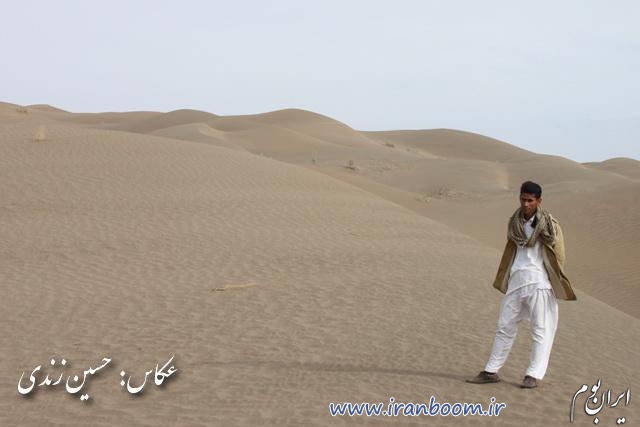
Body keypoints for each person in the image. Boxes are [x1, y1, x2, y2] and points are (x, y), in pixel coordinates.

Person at [467, 181, 576, 389]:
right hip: (516, 280)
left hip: (540, 282)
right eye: (523, 199)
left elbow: (559, 255)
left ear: (539, 201)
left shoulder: (550, 225)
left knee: (540, 330)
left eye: (530, 200)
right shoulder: (514, 223)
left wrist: (554, 281)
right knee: (504, 327)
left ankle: (533, 375)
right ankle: (490, 371)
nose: (526, 204)